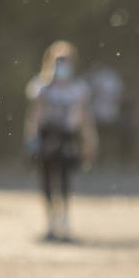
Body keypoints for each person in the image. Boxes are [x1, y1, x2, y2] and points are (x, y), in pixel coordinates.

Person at [25, 41, 98, 240]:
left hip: (68, 137)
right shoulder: (40, 87)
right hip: (47, 136)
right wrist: (31, 139)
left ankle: (64, 221)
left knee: (65, 178)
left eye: (65, 61)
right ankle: (50, 222)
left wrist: (90, 141)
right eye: (58, 61)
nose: (62, 65)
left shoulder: (79, 88)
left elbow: (85, 118)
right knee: (47, 179)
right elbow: (35, 116)